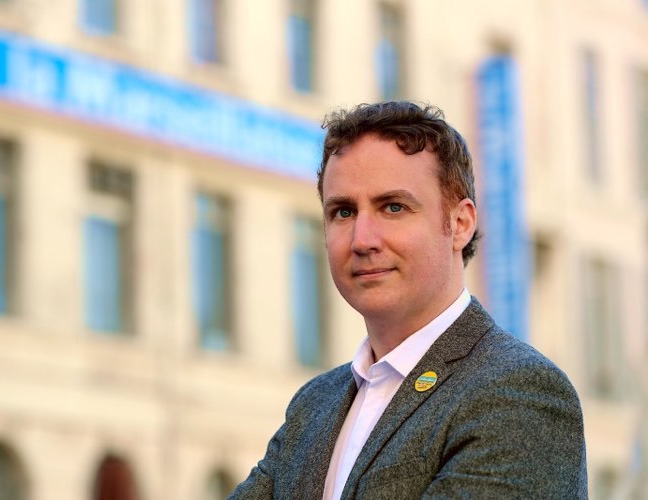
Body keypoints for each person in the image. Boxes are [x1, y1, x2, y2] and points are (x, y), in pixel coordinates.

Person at [229, 101, 587, 499]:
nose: (362, 240)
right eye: (344, 212)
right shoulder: (313, 405)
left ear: (460, 224)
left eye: (393, 207)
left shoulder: (517, 392)